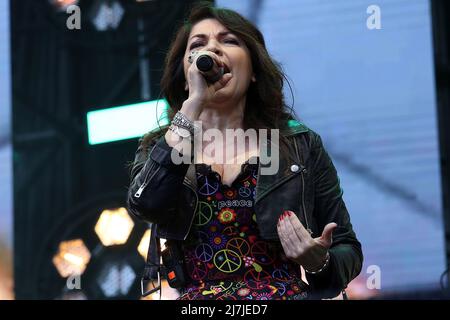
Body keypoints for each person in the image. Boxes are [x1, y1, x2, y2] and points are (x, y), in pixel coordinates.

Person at [127, 3, 362, 300]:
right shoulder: (159, 144)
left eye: (229, 41)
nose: (212, 48)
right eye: (198, 45)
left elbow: (347, 247)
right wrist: (191, 109)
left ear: (252, 70)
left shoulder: (299, 145)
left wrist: (319, 262)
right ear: (186, 76)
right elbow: (145, 204)